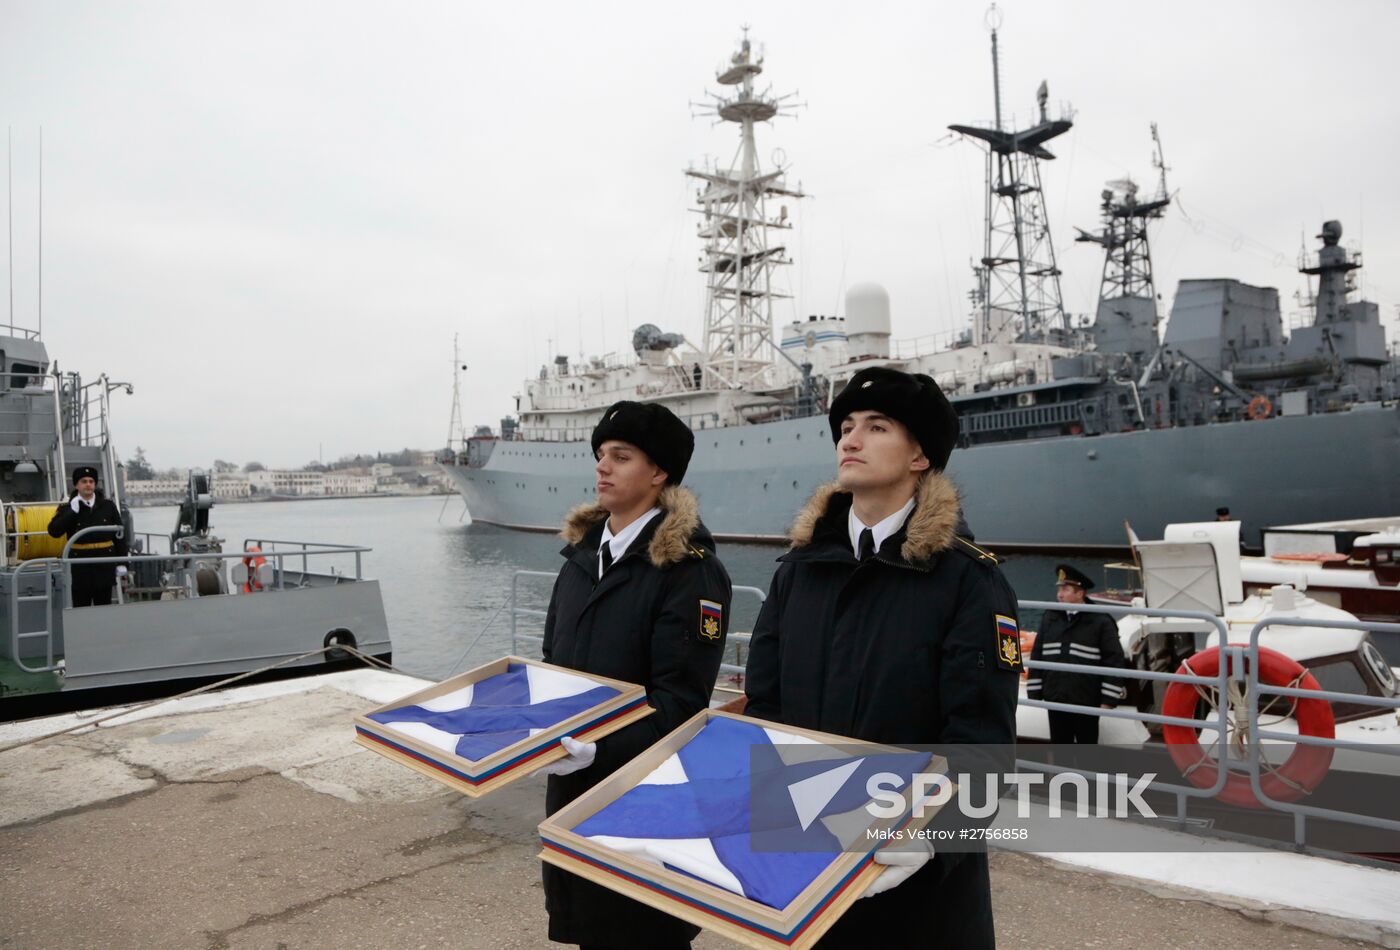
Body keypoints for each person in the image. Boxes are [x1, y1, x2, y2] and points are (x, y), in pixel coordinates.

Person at [743, 366, 1020, 948]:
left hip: (917, 896)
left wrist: (931, 838)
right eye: (846, 426)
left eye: (876, 426)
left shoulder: (968, 582)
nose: (850, 438)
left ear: (920, 455)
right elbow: (765, 711)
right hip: (806, 874)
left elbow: (982, 747)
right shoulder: (798, 573)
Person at [538, 400, 732, 950]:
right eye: (601, 454)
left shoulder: (690, 573)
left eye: (621, 456)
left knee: (643, 934)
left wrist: (598, 749)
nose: (602, 466)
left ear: (659, 472)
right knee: (589, 931)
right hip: (573, 793)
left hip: (648, 802)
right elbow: (553, 668)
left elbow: (682, 704)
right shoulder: (577, 562)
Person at [1026, 565, 1127, 744]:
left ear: (1080, 593)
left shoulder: (1100, 621)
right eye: (1059, 589)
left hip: (1086, 700)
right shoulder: (1050, 617)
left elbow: (1114, 659)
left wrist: (1108, 700)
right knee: (1060, 748)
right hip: (1056, 698)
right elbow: (1038, 654)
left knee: (1086, 753)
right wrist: (1035, 692)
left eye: (1065, 589)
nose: (1060, 594)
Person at [47, 466, 127, 607]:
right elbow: (54, 531)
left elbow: (119, 535)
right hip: (79, 566)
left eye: (91, 481)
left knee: (104, 606)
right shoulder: (67, 508)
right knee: (80, 607)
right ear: (77, 485)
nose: (88, 484)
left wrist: (122, 562)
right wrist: (72, 512)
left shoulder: (108, 506)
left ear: (95, 484)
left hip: (104, 563)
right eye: (84, 481)